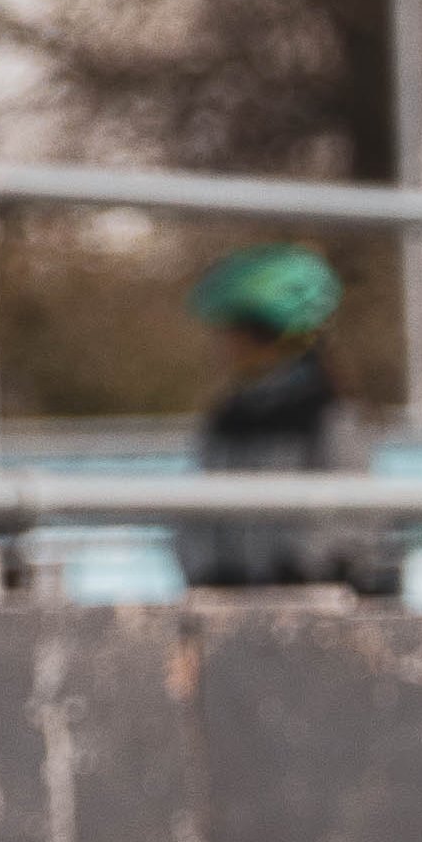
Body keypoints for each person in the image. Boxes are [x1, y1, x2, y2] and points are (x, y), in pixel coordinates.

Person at [179, 242, 362, 592]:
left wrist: (300, 574)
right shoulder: (227, 416)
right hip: (237, 601)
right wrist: (208, 574)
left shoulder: (326, 414)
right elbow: (197, 513)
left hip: (305, 604)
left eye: (228, 332)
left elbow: (350, 523)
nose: (219, 345)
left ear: (266, 334)